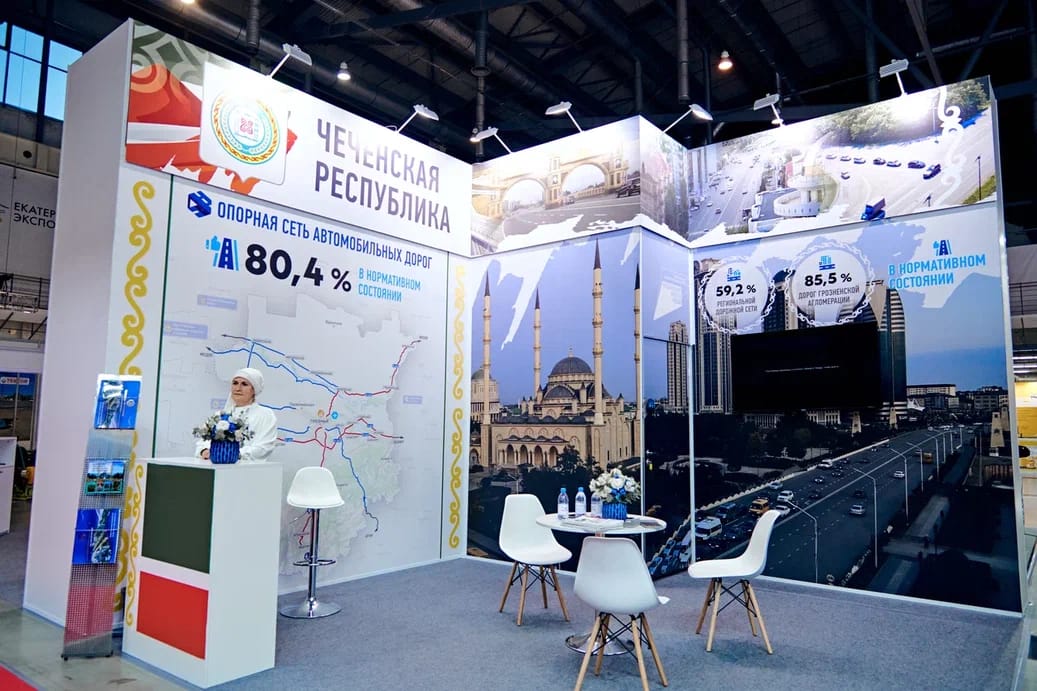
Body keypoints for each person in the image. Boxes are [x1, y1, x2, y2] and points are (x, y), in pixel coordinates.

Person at [196, 367, 278, 463]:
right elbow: (203, 442)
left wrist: (233, 454)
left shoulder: (265, 415)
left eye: (244, 384)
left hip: (249, 468)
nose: (238, 388)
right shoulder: (220, 415)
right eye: (235, 383)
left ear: (254, 390)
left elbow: (264, 447)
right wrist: (204, 451)